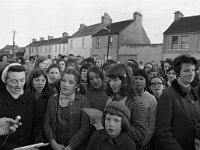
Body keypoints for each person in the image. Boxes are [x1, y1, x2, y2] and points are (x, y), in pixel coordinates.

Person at [155, 55, 200, 150]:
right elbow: (163, 132)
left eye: (193, 70)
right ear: (178, 72)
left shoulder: (193, 93)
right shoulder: (167, 96)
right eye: (186, 70)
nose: (191, 73)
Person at [44, 68, 91, 150]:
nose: (65, 85)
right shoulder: (53, 99)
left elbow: (85, 128)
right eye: (63, 80)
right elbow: (46, 123)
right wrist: (53, 143)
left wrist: (70, 147)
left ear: (76, 86)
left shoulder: (83, 101)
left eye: (71, 82)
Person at [0, 63, 43, 149]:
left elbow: (37, 123)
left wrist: (37, 141)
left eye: (22, 80)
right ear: (5, 80)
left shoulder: (30, 97)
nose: (19, 85)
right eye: (14, 81)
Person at [104, 64, 146, 148]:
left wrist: (121, 123)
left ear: (125, 80)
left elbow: (140, 134)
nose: (112, 84)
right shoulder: (111, 98)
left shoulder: (136, 102)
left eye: (115, 80)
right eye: (110, 80)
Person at [132, 69, 157, 150]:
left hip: (144, 142)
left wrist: (145, 140)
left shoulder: (151, 99)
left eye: (141, 79)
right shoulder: (127, 96)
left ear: (146, 82)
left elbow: (152, 123)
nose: (138, 81)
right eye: (136, 78)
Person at [27, 68, 52, 141]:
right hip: (27, 132)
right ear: (31, 81)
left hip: (44, 134)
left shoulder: (50, 97)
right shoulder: (25, 96)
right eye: (37, 80)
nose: (40, 83)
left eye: (43, 80)